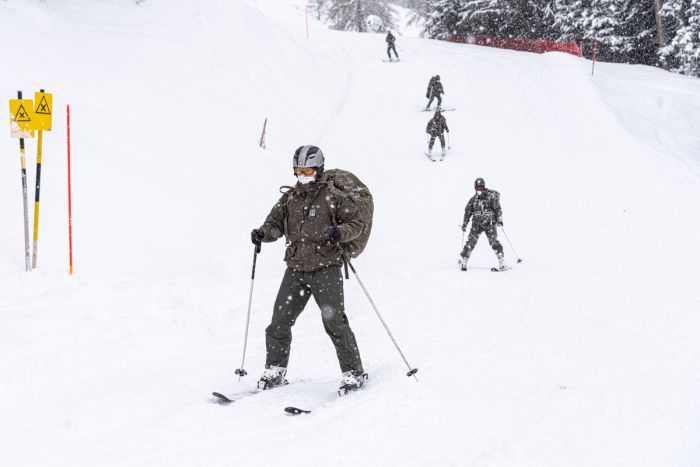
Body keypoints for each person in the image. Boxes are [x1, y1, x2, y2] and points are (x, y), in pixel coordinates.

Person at [250, 145, 367, 394]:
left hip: (326, 268)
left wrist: (339, 232)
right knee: (279, 321)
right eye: (299, 170)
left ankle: (353, 372)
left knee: (334, 321)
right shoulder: (290, 198)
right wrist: (262, 234)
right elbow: (274, 224)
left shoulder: (334, 196)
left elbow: (355, 224)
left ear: (319, 169)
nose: (303, 175)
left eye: (308, 170)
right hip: (296, 269)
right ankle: (276, 369)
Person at [459, 178, 507, 271]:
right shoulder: (473, 200)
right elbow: (467, 212)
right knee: (470, 242)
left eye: (481, 187)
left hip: (490, 224)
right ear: (475, 188)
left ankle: (502, 262)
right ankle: (464, 262)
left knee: (494, 242)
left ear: (484, 187)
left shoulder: (490, 197)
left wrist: (499, 220)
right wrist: (465, 224)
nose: (479, 189)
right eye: (477, 187)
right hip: (476, 224)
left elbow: (498, 209)